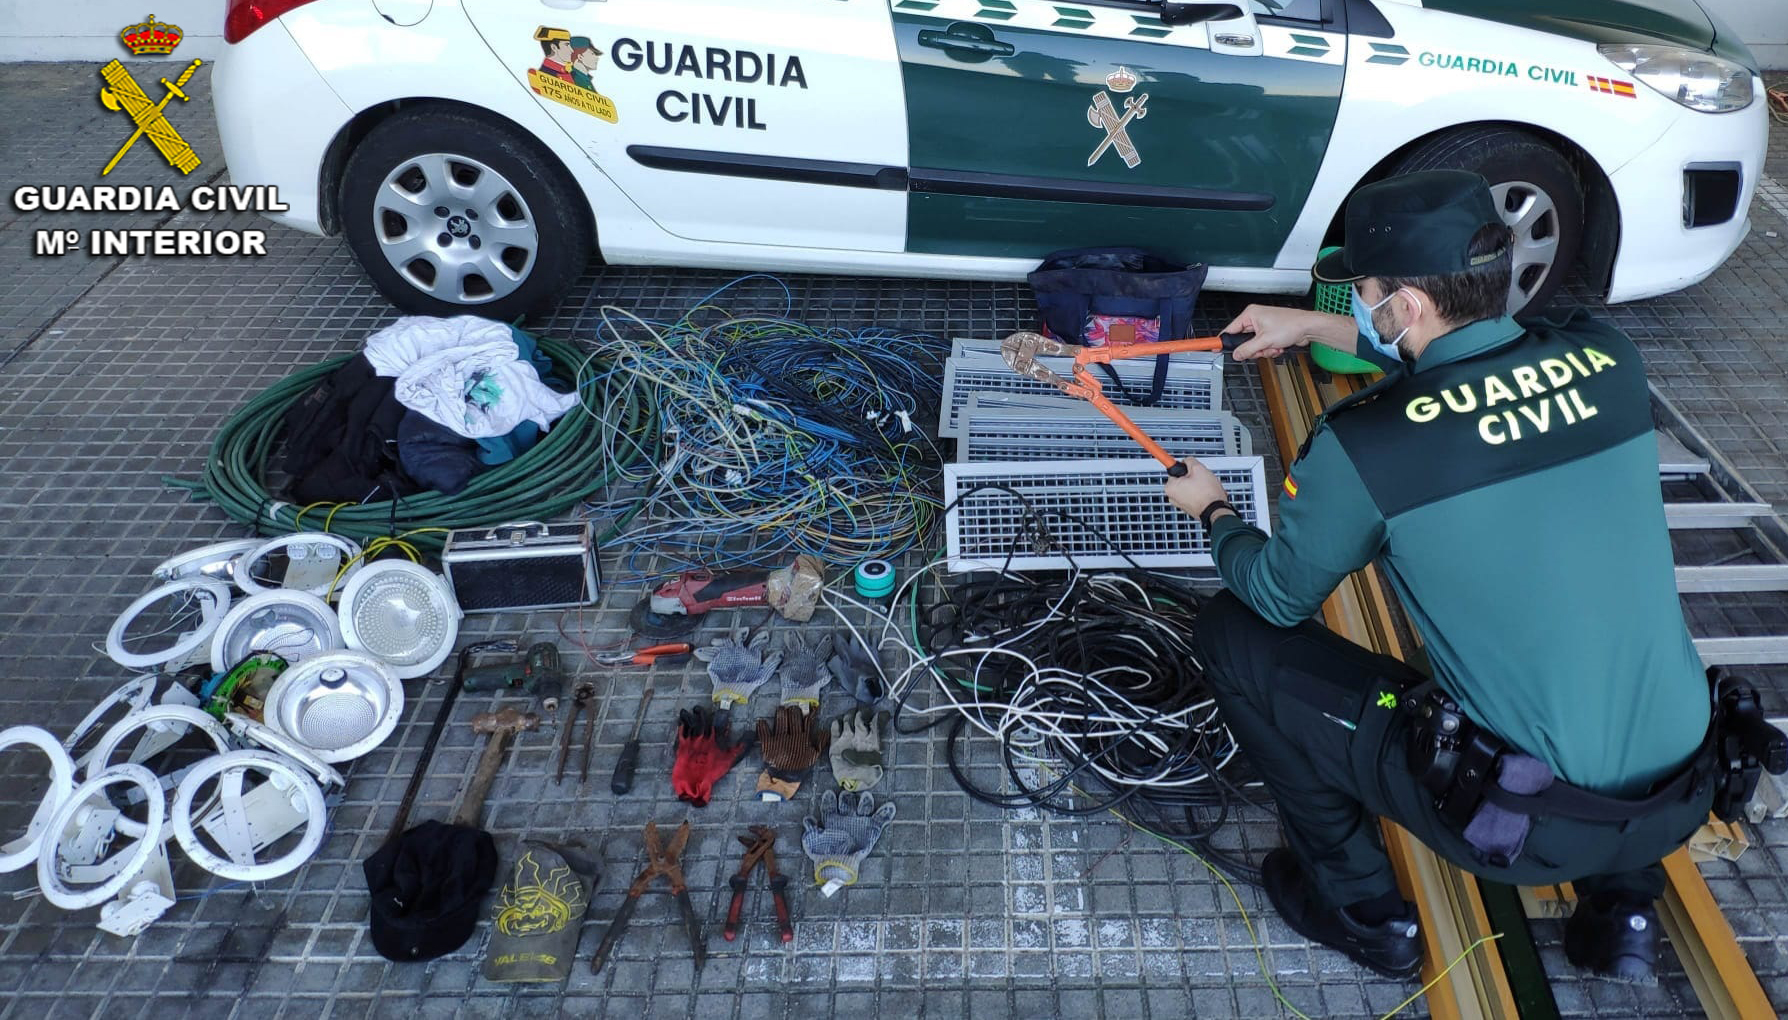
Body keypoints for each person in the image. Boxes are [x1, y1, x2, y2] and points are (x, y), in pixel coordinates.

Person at [1166, 170, 1715, 983]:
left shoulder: (1368, 445)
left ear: (1408, 306)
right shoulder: (1608, 356)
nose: (1358, 305)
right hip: (1684, 783)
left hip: (1521, 824)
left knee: (1231, 632)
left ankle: (1360, 910)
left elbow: (1279, 595)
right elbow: (1471, 369)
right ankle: (1623, 910)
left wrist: (1214, 513)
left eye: (1366, 294)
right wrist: (1310, 324)